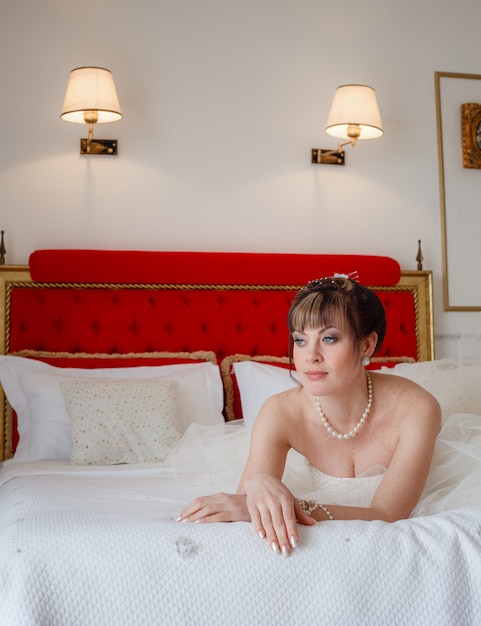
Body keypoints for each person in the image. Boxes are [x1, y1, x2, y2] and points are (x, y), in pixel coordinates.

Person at [178, 275, 441, 556]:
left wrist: (293, 507)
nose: (310, 356)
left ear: (366, 345)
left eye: (329, 338)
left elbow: (388, 514)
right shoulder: (280, 412)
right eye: (300, 341)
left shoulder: (416, 409)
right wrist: (258, 484)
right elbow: (248, 502)